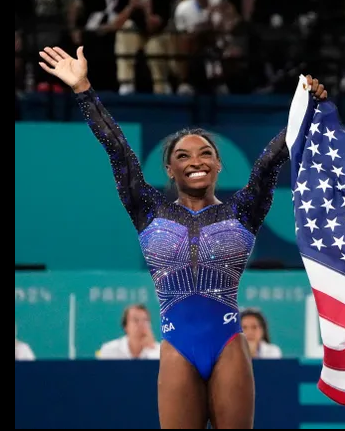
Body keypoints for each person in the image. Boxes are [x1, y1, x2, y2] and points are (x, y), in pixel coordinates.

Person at [38, 45, 327, 429]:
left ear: (219, 164)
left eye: (206, 153)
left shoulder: (243, 210)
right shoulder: (148, 209)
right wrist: (83, 89)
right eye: (184, 156)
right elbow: (118, 150)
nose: (196, 161)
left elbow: (272, 159)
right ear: (170, 170)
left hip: (228, 345)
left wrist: (307, 109)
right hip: (177, 348)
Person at [96, 304, 161, 360]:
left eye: (145, 320)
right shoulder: (109, 350)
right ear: (125, 326)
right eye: (136, 320)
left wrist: (152, 350)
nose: (141, 325)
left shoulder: (160, 352)